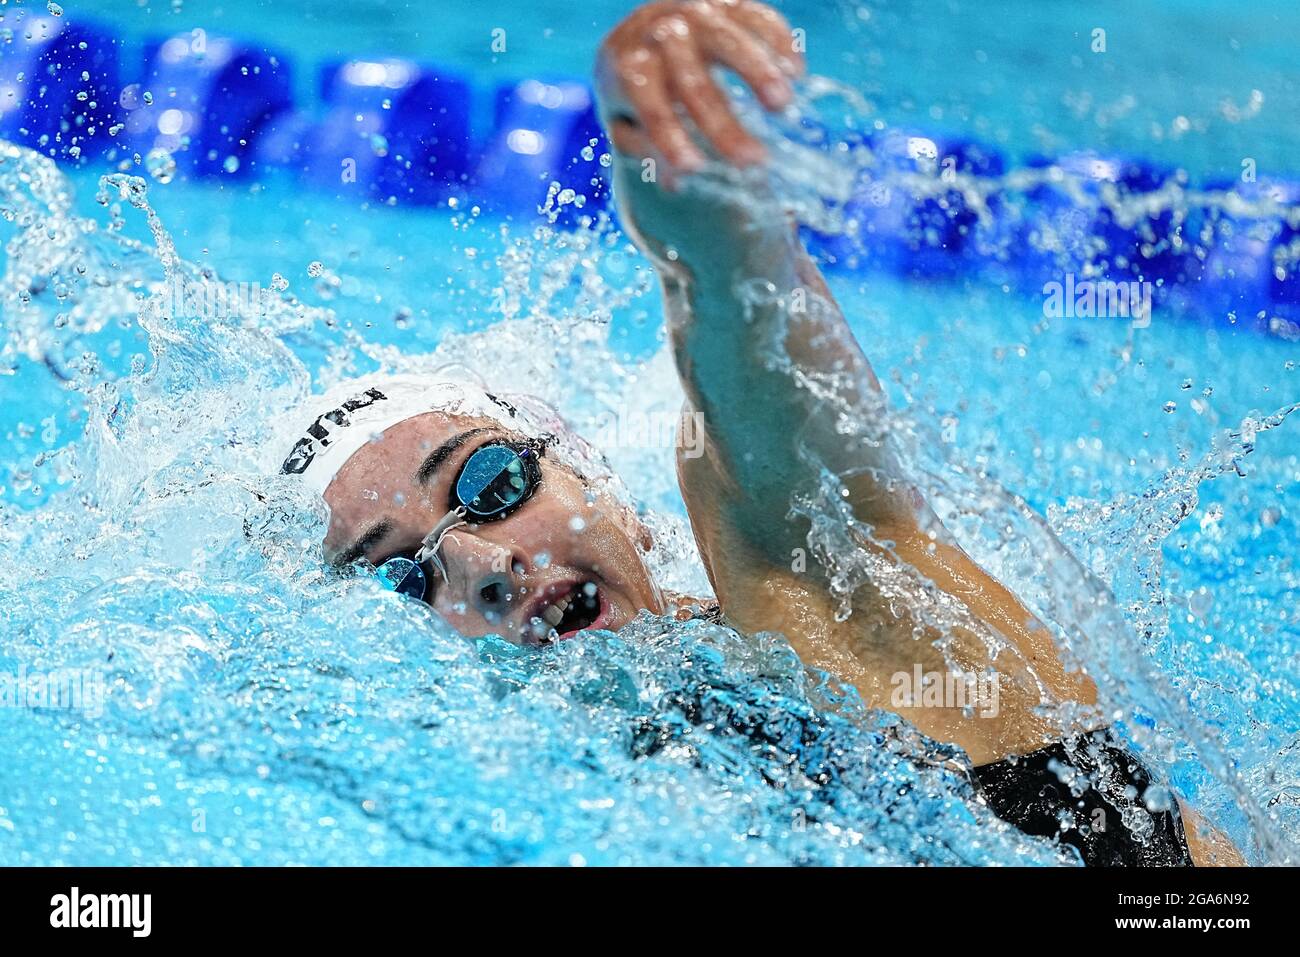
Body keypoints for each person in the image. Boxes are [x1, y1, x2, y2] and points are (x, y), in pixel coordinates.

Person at [278, 0, 1242, 866]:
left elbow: (735, 295)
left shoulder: (816, 592)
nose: (484, 565)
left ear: (600, 480)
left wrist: (666, 152)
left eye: (490, 482)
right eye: (404, 576)